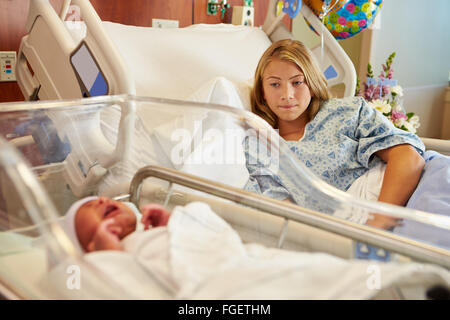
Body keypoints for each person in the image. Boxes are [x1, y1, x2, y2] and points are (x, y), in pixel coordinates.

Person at [60, 196, 450, 300]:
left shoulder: (154, 229)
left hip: (238, 262)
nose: (102, 202)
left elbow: (209, 230)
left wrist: (176, 220)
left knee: (306, 266)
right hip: (216, 285)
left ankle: (398, 285)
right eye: (91, 211)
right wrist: (107, 248)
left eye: (105, 201)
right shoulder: (110, 260)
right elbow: (114, 275)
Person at [244, 39, 426, 230]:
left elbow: (408, 157)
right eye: (274, 84)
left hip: (399, 198)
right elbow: (284, 214)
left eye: (297, 82)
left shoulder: (348, 111)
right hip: (337, 225)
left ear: (312, 86)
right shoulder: (258, 145)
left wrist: (378, 223)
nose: (287, 94)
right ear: (262, 92)